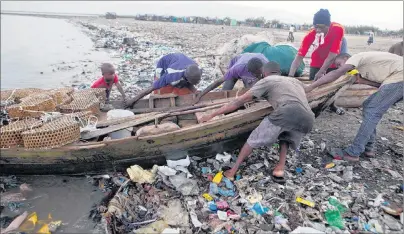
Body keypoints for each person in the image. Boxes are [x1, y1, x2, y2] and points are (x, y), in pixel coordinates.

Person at [199, 61, 315, 183]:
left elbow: (237, 102)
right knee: (285, 137)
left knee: (251, 141)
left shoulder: (266, 81)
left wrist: (211, 115)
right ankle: (279, 169)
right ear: (279, 72)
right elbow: (309, 88)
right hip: (308, 118)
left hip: (286, 112)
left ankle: (232, 172)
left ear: (264, 73)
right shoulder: (294, 81)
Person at [304, 52, 403, 161]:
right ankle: (368, 147)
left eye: (339, 64)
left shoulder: (356, 57)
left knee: (372, 110)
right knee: (369, 105)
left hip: (400, 77)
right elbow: (381, 85)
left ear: (346, 58)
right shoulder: (366, 67)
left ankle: (353, 153)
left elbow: (338, 72)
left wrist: (311, 87)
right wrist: (360, 80)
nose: (339, 67)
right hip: (397, 78)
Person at [288, 9, 346, 115]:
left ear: (328, 25)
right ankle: (312, 107)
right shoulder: (310, 35)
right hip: (316, 61)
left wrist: (322, 71)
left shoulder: (338, 29)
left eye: (321, 27)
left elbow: (333, 55)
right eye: (316, 26)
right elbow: (299, 57)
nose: (318, 30)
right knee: (313, 86)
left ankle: (332, 105)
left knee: (331, 86)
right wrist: (290, 76)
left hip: (332, 60)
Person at [126, 53, 202, 108]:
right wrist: (133, 100)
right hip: (163, 64)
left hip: (178, 61)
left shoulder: (197, 69)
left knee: (182, 87)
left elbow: (190, 84)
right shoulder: (171, 75)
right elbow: (152, 87)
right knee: (159, 89)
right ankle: (158, 102)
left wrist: (196, 92)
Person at [194, 53, 268, 103]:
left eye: (259, 74)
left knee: (252, 91)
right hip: (237, 64)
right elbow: (218, 82)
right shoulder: (237, 69)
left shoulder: (266, 65)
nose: (258, 77)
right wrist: (201, 95)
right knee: (225, 90)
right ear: (249, 72)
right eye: (256, 75)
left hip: (255, 62)